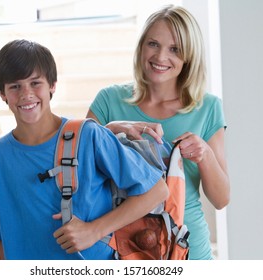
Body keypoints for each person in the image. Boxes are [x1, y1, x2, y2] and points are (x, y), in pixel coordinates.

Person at [0, 39, 169, 260]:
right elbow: (1, 236)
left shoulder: (89, 136)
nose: (26, 94)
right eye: (15, 86)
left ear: (52, 85)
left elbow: (157, 191)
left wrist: (93, 230)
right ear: (2, 93)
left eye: (35, 83)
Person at [86, 5, 230, 260]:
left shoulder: (208, 108)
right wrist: (110, 130)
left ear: (189, 57)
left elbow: (221, 199)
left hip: (188, 251)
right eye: (153, 44)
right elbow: (82, 172)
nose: (161, 56)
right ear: (141, 46)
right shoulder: (108, 101)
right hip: (121, 250)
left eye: (175, 49)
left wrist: (205, 154)